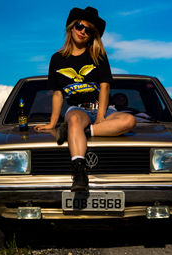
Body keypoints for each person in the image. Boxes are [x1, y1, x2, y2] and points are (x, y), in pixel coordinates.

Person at [34, 7, 136, 191]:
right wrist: (51, 123)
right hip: (78, 109)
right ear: (71, 27)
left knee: (129, 120)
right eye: (80, 26)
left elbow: (105, 87)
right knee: (73, 119)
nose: (83, 32)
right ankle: (80, 173)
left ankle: (80, 131)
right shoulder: (56, 59)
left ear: (92, 35)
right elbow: (58, 94)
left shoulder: (98, 56)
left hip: (103, 108)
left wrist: (100, 117)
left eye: (89, 30)